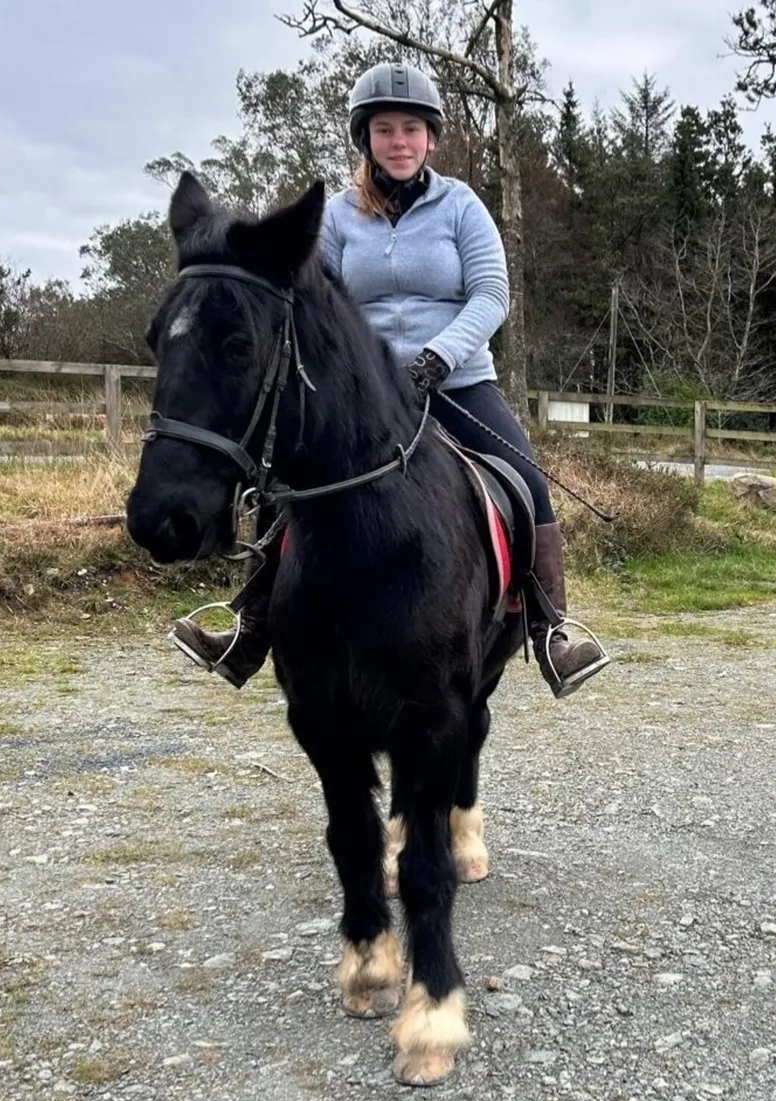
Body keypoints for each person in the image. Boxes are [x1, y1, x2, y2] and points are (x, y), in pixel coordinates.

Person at [171, 62, 609, 699]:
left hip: (456, 380)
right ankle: (251, 622)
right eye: (384, 129)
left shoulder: (462, 206)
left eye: (410, 128)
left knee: (522, 473)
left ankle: (550, 628)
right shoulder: (341, 219)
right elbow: (317, 301)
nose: (398, 141)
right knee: (290, 471)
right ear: (365, 138)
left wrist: (437, 357)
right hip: (363, 392)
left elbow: (491, 295)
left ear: (430, 137)